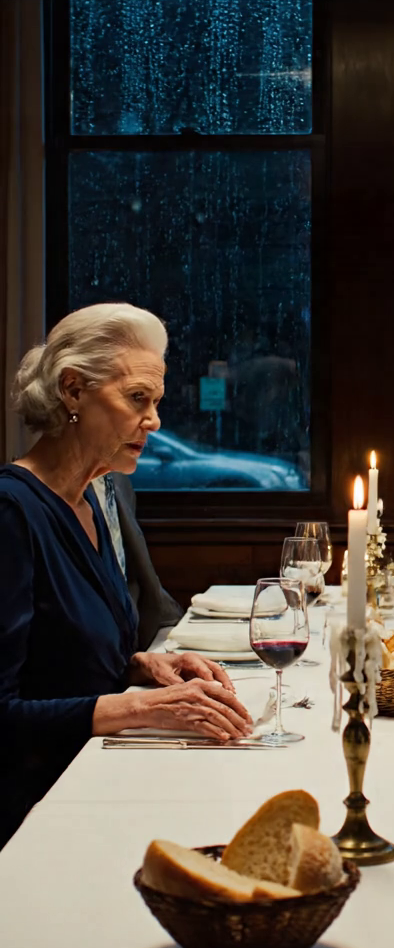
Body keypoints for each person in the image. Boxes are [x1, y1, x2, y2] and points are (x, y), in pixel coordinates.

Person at [0, 303, 253, 849]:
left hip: (96, 776)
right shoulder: (12, 512)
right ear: (72, 391)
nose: (155, 420)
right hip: (36, 815)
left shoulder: (91, 501)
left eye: (156, 402)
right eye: (138, 399)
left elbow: (58, 662)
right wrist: (138, 705)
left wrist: (141, 666)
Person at [91, 470, 183, 651]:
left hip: (131, 643)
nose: (146, 441)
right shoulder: (39, 498)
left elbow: (129, 577)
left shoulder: (116, 479)